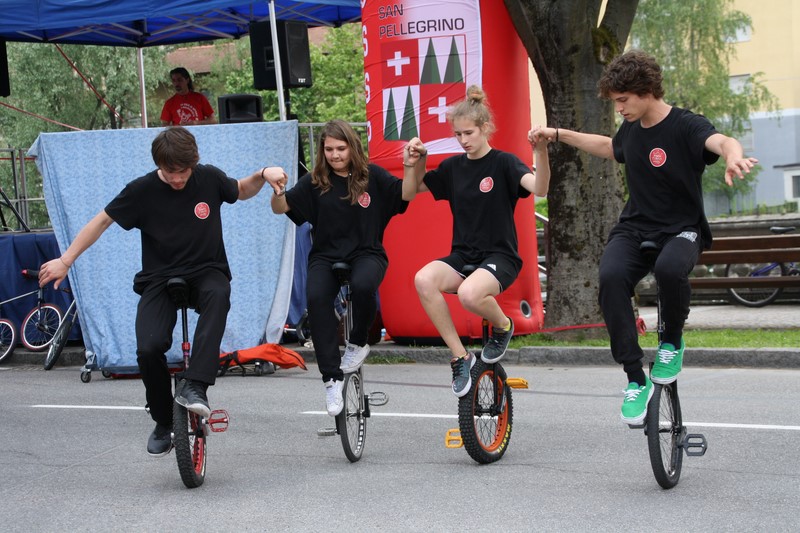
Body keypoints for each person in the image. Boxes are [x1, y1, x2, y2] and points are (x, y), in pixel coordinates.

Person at [531, 50, 758, 425]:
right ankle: (635, 377)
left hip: (682, 227)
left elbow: (722, 141)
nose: (619, 108)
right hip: (635, 227)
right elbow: (609, 147)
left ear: (646, 90)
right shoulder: (631, 130)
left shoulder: (686, 125)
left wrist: (735, 156)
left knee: (670, 269)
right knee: (611, 278)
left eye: (623, 100)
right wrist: (556, 134)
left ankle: (671, 341)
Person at [38, 126, 287, 456]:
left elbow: (241, 190)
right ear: (159, 165)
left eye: (184, 171)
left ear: (194, 163)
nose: (179, 179)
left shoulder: (208, 178)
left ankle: (195, 385)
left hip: (206, 271)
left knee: (219, 294)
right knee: (148, 347)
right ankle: (163, 419)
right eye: (171, 173)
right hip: (159, 278)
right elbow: (101, 221)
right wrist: (66, 260)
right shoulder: (141, 191)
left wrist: (262, 173)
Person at [403, 85, 552, 397]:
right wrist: (415, 159)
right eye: (457, 134)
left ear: (485, 128)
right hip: (463, 254)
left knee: (471, 295)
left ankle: (503, 325)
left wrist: (540, 150)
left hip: (501, 257)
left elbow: (539, 188)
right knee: (423, 279)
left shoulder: (504, 163)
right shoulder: (453, 168)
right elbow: (412, 190)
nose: (463, 140)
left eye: (468, 133)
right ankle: (460, 357)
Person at [265, 120, 415, 416]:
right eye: (329, 149)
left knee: (362, 285)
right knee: (317, 298)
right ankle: (331, 380)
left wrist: (410, 165)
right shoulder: (316, 180)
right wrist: (278, 191)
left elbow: (406, 194)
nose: (334, 155)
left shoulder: (372, 176)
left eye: (341, 149)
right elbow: (281, 209)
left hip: (367, 252)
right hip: (325, 255)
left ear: (352, 147)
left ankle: (358, 342)